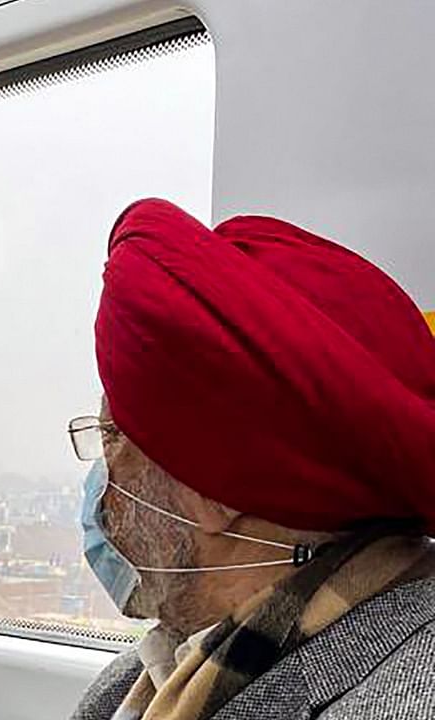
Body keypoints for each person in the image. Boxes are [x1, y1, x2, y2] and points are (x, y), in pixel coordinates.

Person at [69, 199, 435, 720]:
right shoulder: (138, 681)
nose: (100, 481)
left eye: (112, 436)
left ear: (211, 492)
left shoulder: (402, 702)